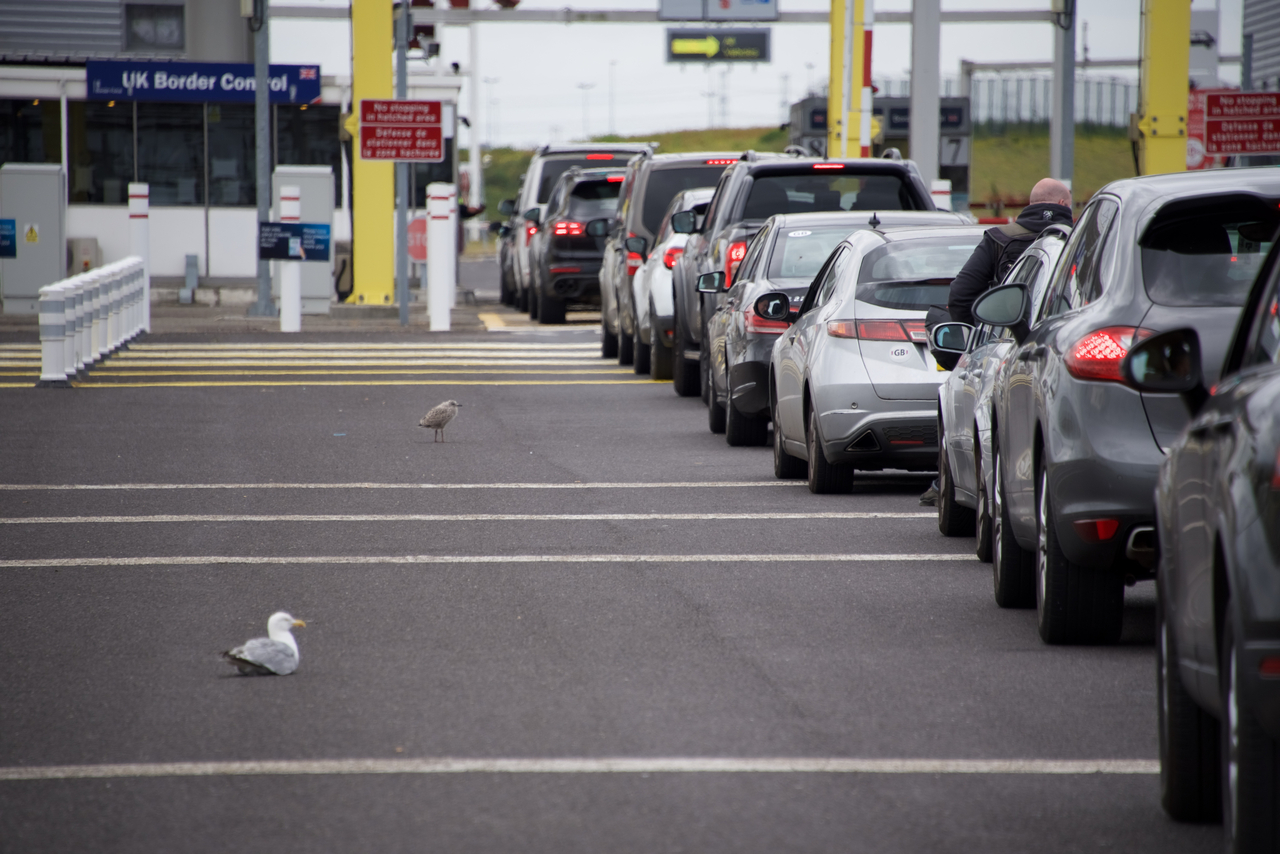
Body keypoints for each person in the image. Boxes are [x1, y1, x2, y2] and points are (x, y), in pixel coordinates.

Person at [920, 177, 1074, 506]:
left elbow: (961, 298)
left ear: (1031, 204)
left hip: (1007, 348)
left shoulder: (1000, 238)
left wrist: (982, 335)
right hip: (1072, 347)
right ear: (1064, 205)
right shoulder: (1087, 244)